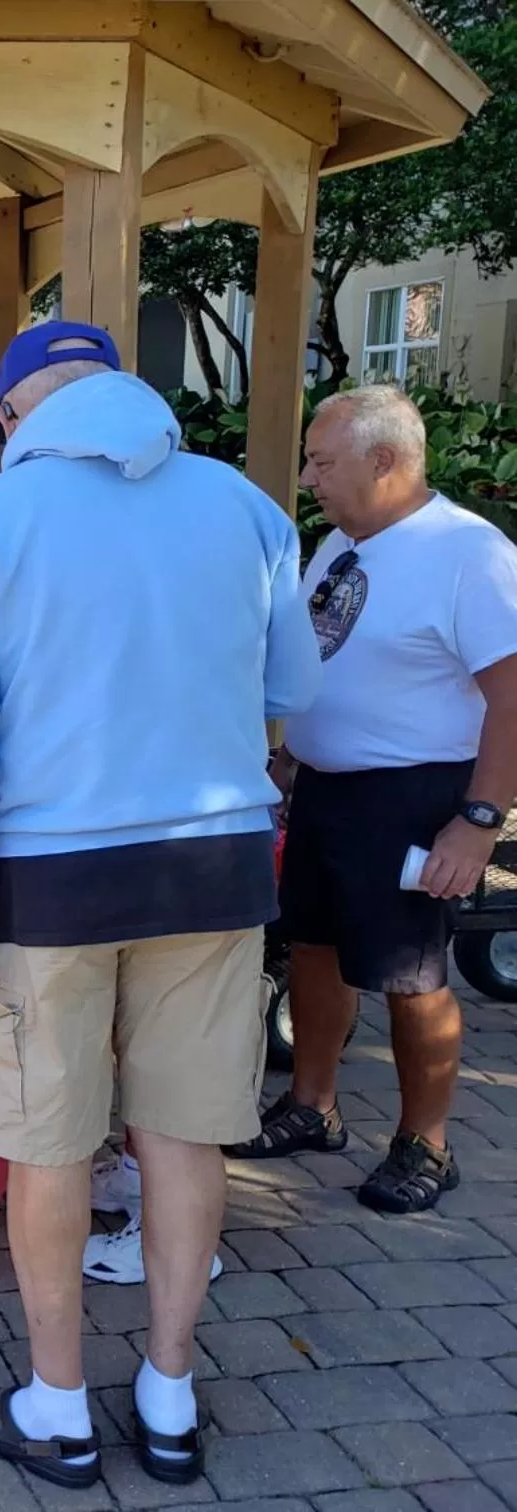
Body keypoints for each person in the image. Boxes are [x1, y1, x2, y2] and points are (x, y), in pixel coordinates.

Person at [0, 322, 320, 1488]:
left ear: (10, 415)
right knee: (185, 1133)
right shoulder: (242, 506)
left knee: (50, 1141)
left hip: (50, 874)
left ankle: (58, 1404)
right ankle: (171, 1394)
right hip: (218, 859)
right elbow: (294, 686)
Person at [228, 386, 517, 1213]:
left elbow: (513, 696)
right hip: (325, 791)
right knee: (313, 950)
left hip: (416, 798)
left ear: (384, 460)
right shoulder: (340, 546)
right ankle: (313, 1105)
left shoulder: (469, 552)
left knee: (410, 973)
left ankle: (428, 1144)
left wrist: (479, 822)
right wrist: (289, 761)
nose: (310, 479)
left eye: (324, 462)